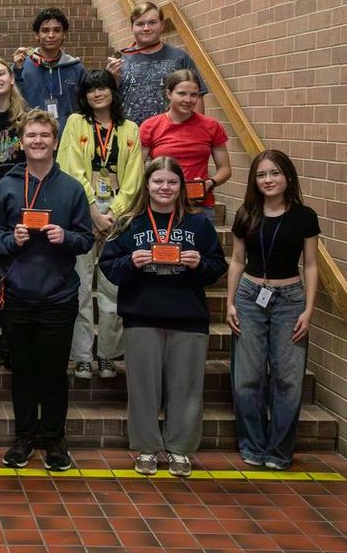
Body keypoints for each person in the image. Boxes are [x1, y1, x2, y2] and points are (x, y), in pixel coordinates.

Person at [99, 156, 227, 477]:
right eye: (158, 181)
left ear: (181, 186)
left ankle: (180, 449)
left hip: (188, 316)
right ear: (148, 184)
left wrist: (200, 263)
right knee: (143, 388)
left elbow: (218, 267)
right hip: (142, 315)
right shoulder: (130, 221)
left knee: (185, 388)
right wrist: (131, 262)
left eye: (172, 182)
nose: (165, 188)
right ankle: (146, 448)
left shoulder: (198, 223)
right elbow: (108, 267)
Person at [0, 110, 93, 471]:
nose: (38, 141)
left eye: (44, 135)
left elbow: (86, 239)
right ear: (22, 142)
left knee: (53, 371)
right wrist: (9, 239)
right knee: (24, 371)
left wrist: (67, 238)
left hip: (58, 297)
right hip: (16, 295)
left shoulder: (72, 189)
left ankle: (54, 439)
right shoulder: (7, 186)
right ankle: (25, 437)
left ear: (55, 141)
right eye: (31, 135)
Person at [227, 150, 319, 470]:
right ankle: (252, 445)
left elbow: (310, 264)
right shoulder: (245, 214)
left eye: (275, 173)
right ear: (255, 180)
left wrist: (308, 309)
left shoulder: (305, 216)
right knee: (247, 378)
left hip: (290, 300)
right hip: (250, 297)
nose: (268, 180)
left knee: (288, 380)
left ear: (288, 177)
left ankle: (279, 452)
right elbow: (237, 261)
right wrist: (229, 302)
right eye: (262, 175)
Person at [56, 70, 144, 380]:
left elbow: (135, 178)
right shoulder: (75, 124)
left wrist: (114, 213)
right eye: (91, 89)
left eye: (103, 87)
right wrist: (92, 210)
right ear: (84, 94)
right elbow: (69, 168)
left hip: (118, 215)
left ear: (113, 91)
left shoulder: (130, 129)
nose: (97, 94)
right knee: (79, 286)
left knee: (112, 289)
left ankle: (107, 354)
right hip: (82, 211)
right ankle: (81, 355)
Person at [139, 69, 231, 211]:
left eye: (193, 95)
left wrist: (210, 183)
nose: (188, 100)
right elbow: (137, 167)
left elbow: (225, 169)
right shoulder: (150, 126)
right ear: (169, 94)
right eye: (182, 94)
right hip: (161, 204)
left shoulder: (211, 126)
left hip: (199, 204)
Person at [105, 2, 207, 124]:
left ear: (162, 25)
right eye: (140, 24)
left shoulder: (179, 57)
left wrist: (197, 131)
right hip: (129, 135)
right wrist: (112, 80)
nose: (146, 28)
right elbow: (105, 100)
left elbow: (197, 97)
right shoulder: (119, 59)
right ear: (132, 27)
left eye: (152, 23)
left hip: (170, 134)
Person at [12, 7, 85, 134]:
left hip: (68, 140)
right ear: (36, 35)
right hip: (33, 139)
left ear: (64, 34)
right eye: (45, 31)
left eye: (57, 30)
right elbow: (12, 103)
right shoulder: (22, 66)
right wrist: (16, 71)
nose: (51, 35)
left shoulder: (76, 68)